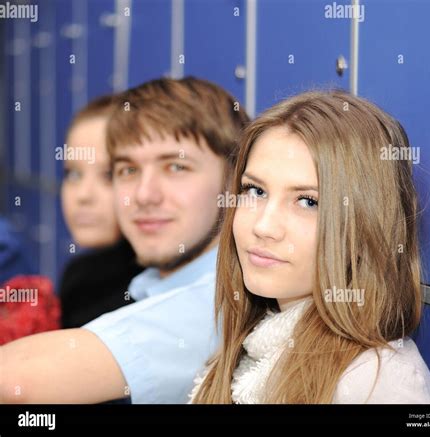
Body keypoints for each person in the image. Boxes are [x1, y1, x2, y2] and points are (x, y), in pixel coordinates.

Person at [0, 77, 249, 404]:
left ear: (234, 180)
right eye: (127, 170)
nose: (144, 195)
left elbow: (20, 383)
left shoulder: (220, 303)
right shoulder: (149, 283)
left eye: (176, 166)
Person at [190, 90, 430, 404]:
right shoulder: (248, 351)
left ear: (365, 225)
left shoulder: (377, 381)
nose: (263, 227)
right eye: (255, 190)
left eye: (308, 201)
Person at [59, 94, 143, 328]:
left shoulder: (149, 297)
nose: (83, 195)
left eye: (108, 175)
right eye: (73, 174)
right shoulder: (79, 274)